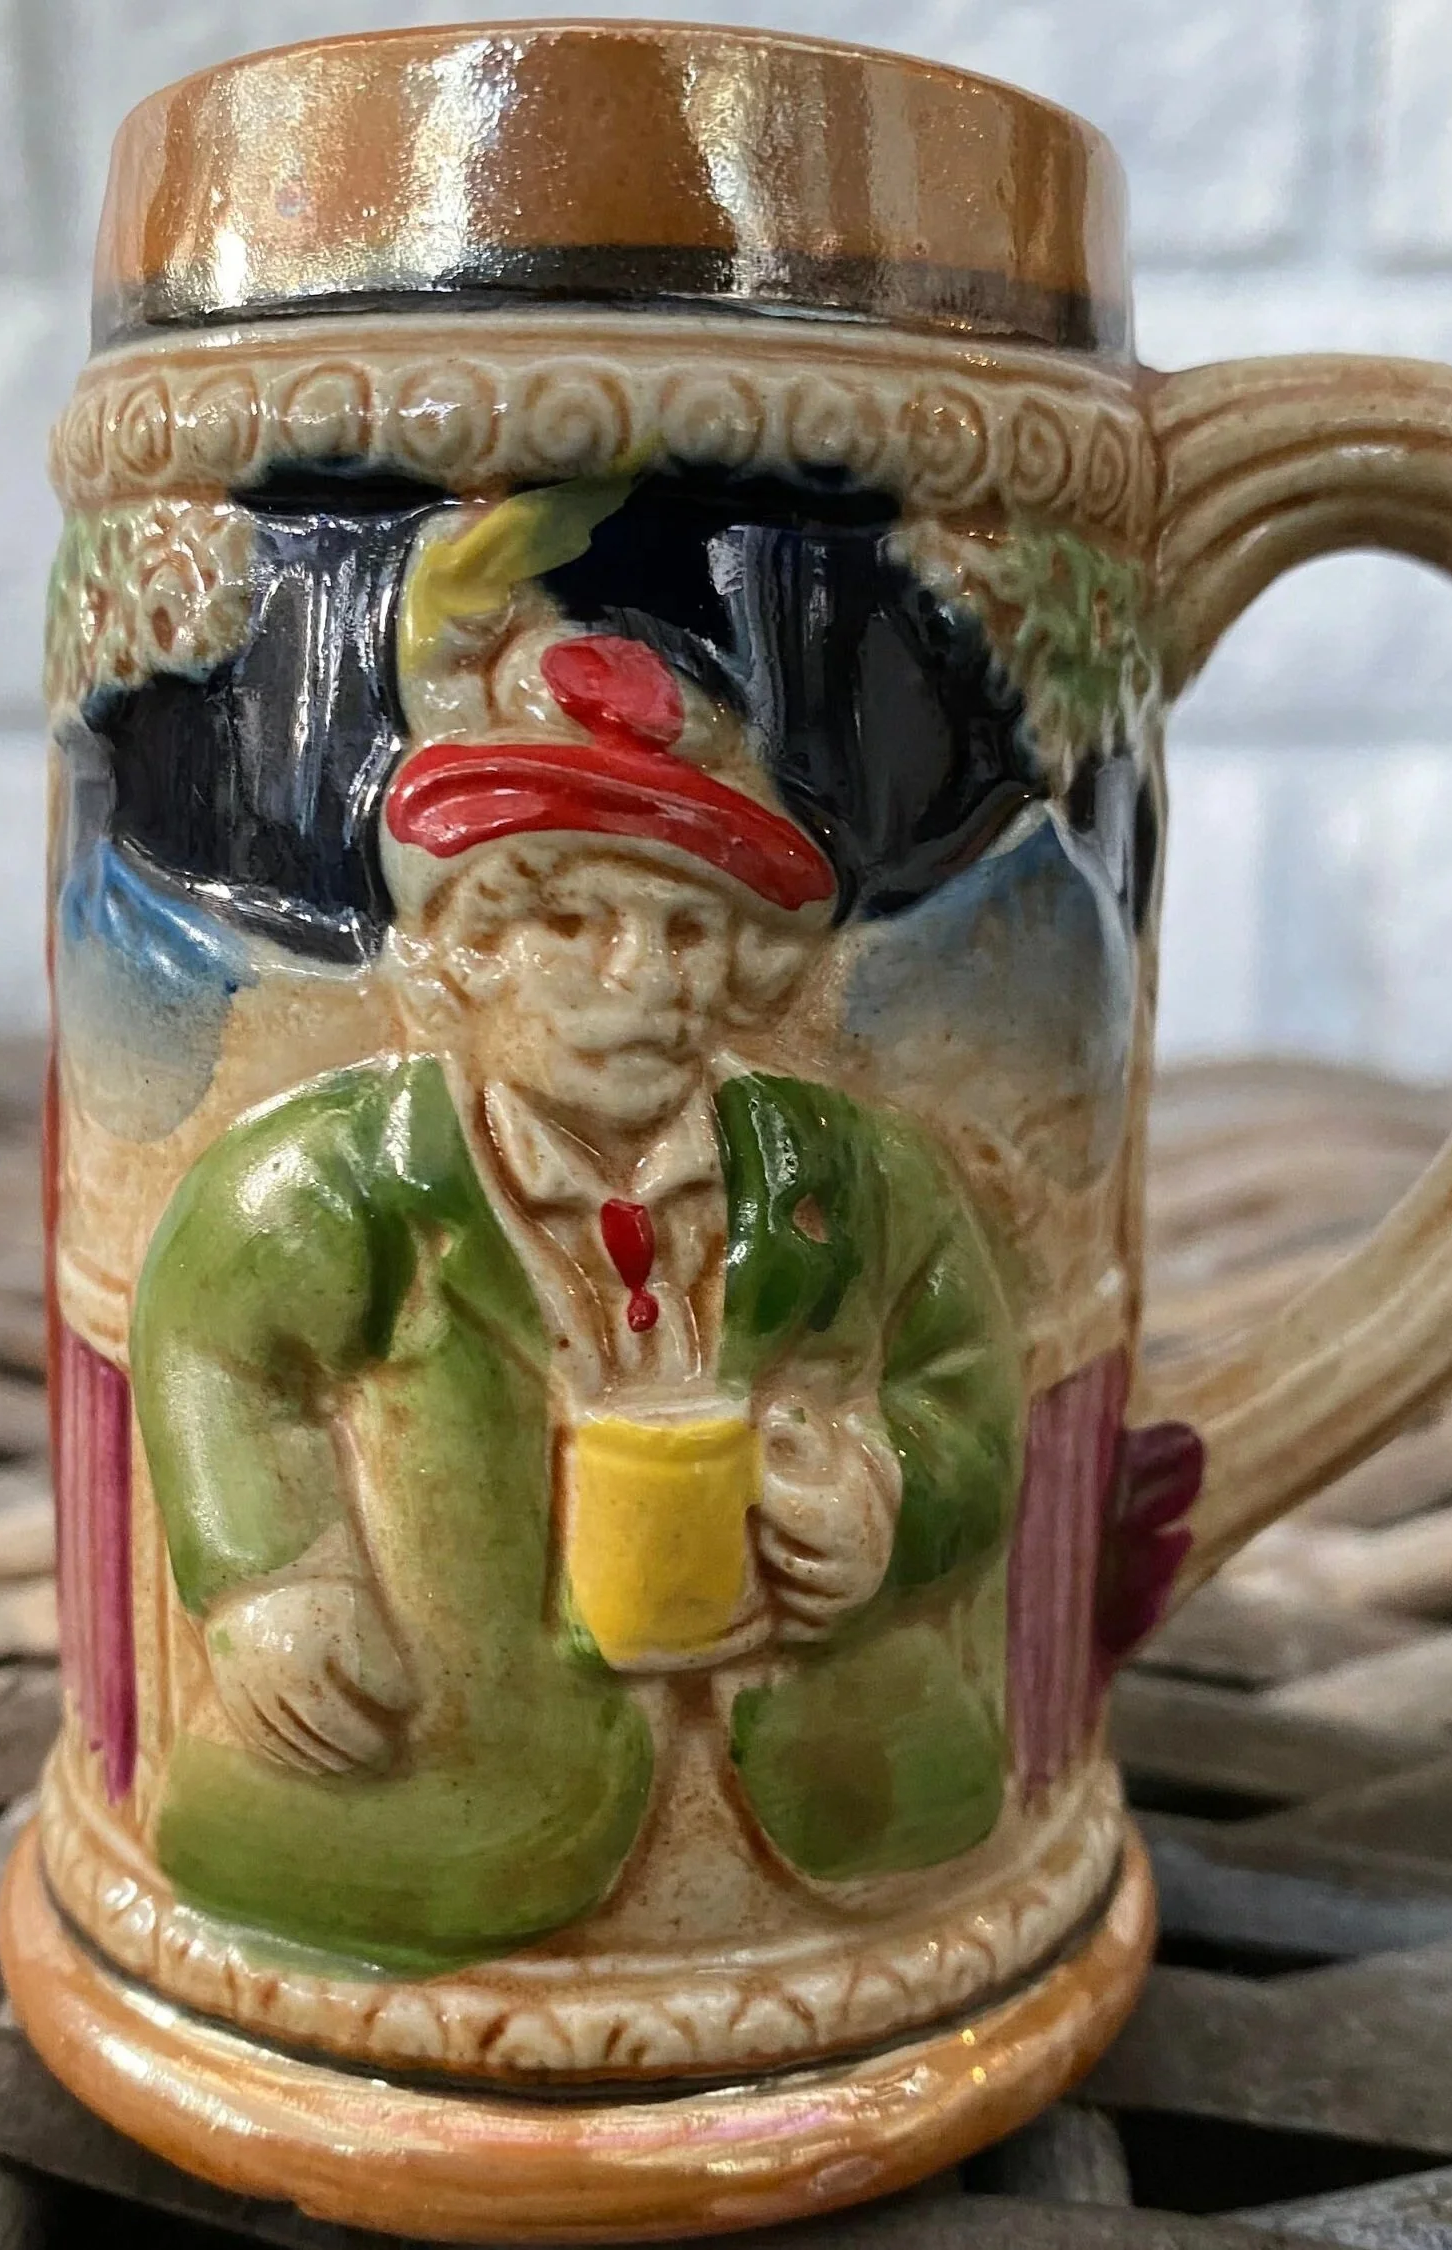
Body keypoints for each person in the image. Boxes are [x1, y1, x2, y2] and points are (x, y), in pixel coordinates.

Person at [129, 489, 1025, 1971]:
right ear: (467, 956)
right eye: (572, 929)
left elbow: (960, 1380)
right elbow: (222, 1353)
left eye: (687, 934)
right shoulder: (337, 1184)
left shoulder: (845, 1173)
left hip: (838, 1781)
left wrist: (887, 1497)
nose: (647, 978)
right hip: (453, 1787)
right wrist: (276, 1578)